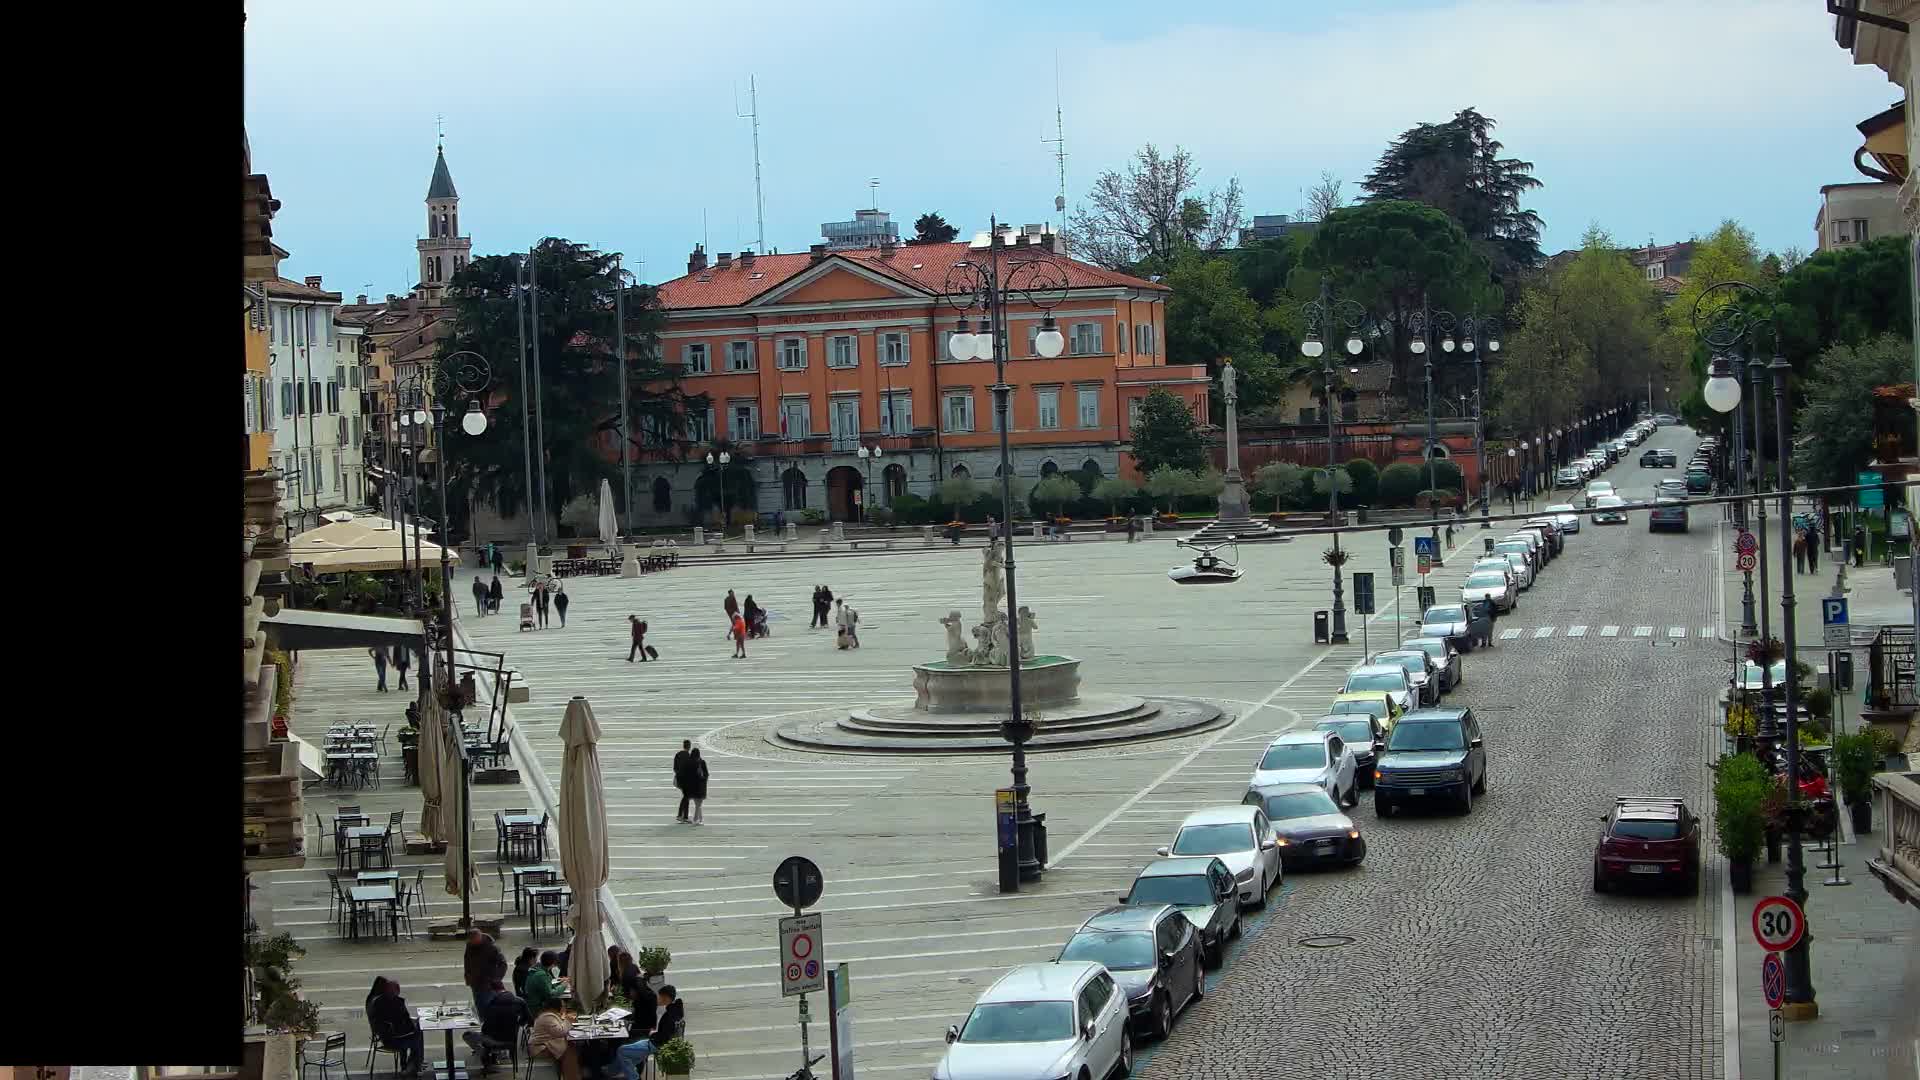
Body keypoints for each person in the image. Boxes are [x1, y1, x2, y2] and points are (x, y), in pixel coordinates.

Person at [614, 985, 684, 1080]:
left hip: (655, 1044)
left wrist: (653, 1034)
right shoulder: (675, 1011)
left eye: (659, 996)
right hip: (658, 1042)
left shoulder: (670, 1015)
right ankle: (625, 1072)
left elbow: (663, 1036)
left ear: (666, 998)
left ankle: (633, 1077)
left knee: (621, 1050)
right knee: (630, 1054)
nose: (657, 999)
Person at [465, 980, 530, 1071]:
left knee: (467, 1035)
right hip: (511, 1039)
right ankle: (495, 1055)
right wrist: (517, 1024)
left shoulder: (491, 1004)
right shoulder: (520, 1001)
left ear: (493, 991)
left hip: (494, 1040)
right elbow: (528, 1019)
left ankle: (485, 1054)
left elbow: (486, 1029)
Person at [368, 978, 426, 1076]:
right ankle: (414, 1065)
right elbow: (404, 1023)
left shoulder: (377, 1001)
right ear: (394, 990)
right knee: (417, 1036)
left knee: (415, 1033)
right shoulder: (395, 1003)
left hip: (384, 1036)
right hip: (393, 1040)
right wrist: (414, 1025)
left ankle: (408, 1065)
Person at [528, 998, 584, 1080]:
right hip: (540, 1048)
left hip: (547, 1044)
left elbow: (559, 1027)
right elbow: (560, 1031)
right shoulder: (547, 1017)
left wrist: (566, 1020)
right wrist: (568, 1021)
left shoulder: (549, 1015)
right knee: (570, 1051)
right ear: (556, 1007)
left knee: (572, 1046)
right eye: (563, 1006)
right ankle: (572, 1076)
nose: (564, 1008)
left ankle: (574, 1075)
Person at [465, 929, 509, 1012]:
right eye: (471, 940)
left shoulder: (491, 948)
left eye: (474, 940)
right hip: (475, 983)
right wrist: (468, 977)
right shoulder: (470, 946)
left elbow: (503, 964)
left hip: (488, 983)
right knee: (479, 1006)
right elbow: (467, 961)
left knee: (487, 1007)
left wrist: (496, 979)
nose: (472, 942)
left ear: (479, 937)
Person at [686, 749, 709, 825]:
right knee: (698, 805)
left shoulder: (689, 763)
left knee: (697, 804)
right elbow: (706, 775)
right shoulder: (702, 762)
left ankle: (700, 819)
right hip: (701, 786)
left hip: (692, 787)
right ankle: (695, 819)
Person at [673, 740, 694, 823]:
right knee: (686, 797)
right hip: (686, 780)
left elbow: (674, 768)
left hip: (679, 779)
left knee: (686, 796)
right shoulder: (689, 756)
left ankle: (684, 816)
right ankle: (681, 816)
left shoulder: (678, 754)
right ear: (689, 746)